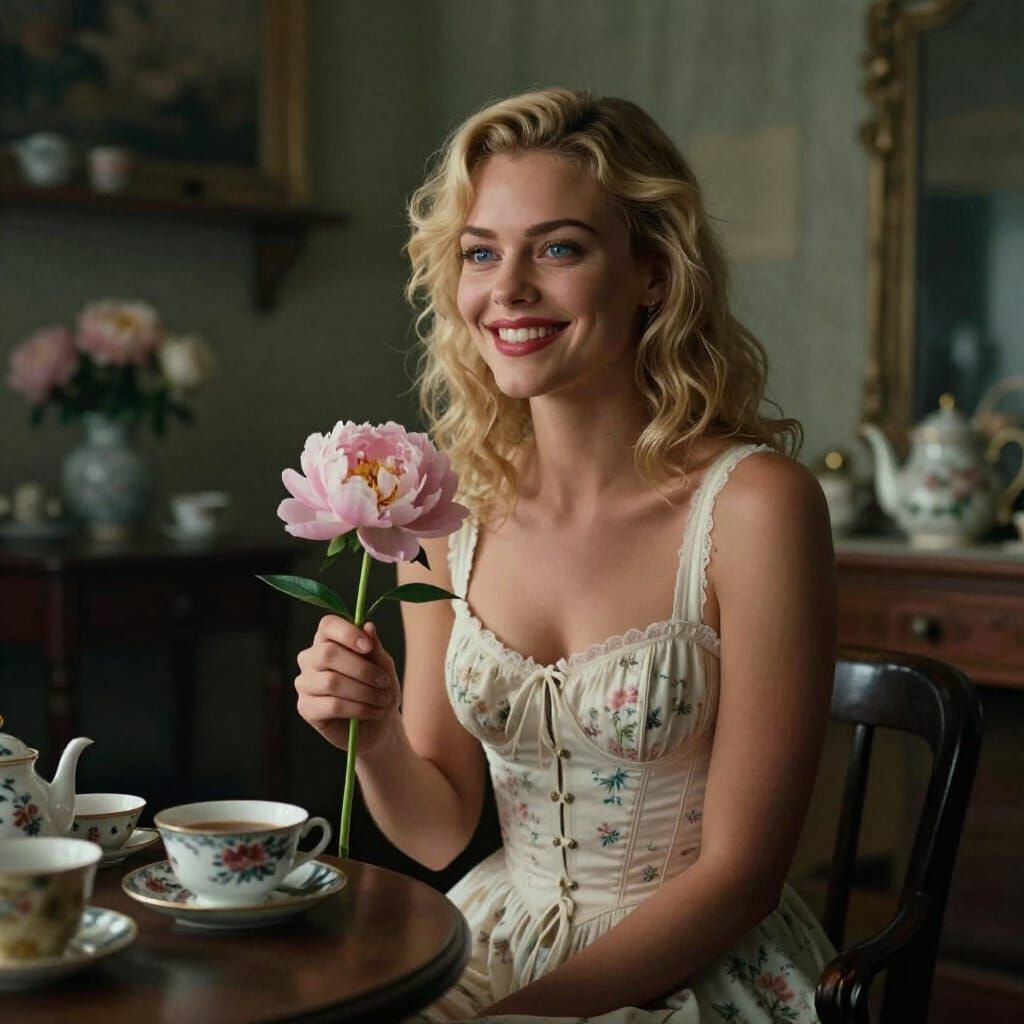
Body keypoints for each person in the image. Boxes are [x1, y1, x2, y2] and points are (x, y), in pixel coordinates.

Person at [295, 88, 838, 1023]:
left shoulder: (755, 508)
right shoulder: (438, 508)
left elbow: (744, 876)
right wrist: (372, 737)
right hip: (485, 941)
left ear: (654, 272)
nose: (506, 290)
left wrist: (527, 1018)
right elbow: (437, 833)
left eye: (558, 248)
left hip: (693, 965)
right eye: (480, 252)